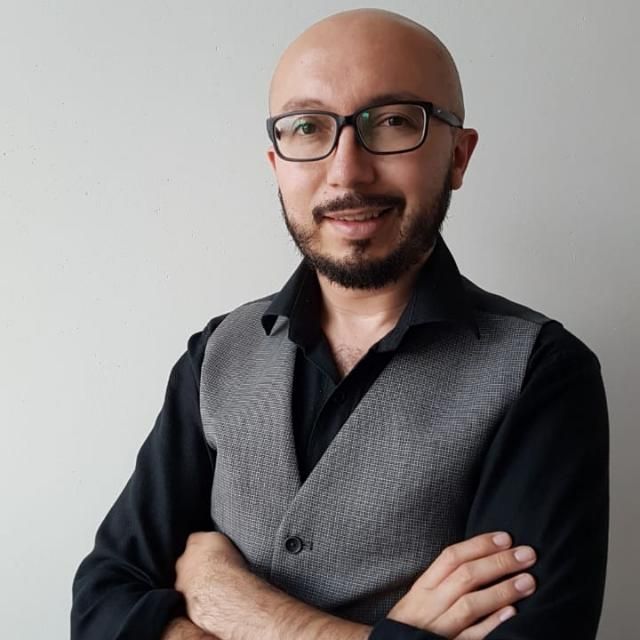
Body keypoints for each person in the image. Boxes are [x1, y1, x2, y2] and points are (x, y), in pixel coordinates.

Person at [71, 9, 609, 640]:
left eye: (394, 121)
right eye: (307, 127)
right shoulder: (217, 352)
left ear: (458, 157)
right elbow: (102, 601)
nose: (347, 172)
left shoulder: (542, 371)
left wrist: (236, 603)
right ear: (277, 163)